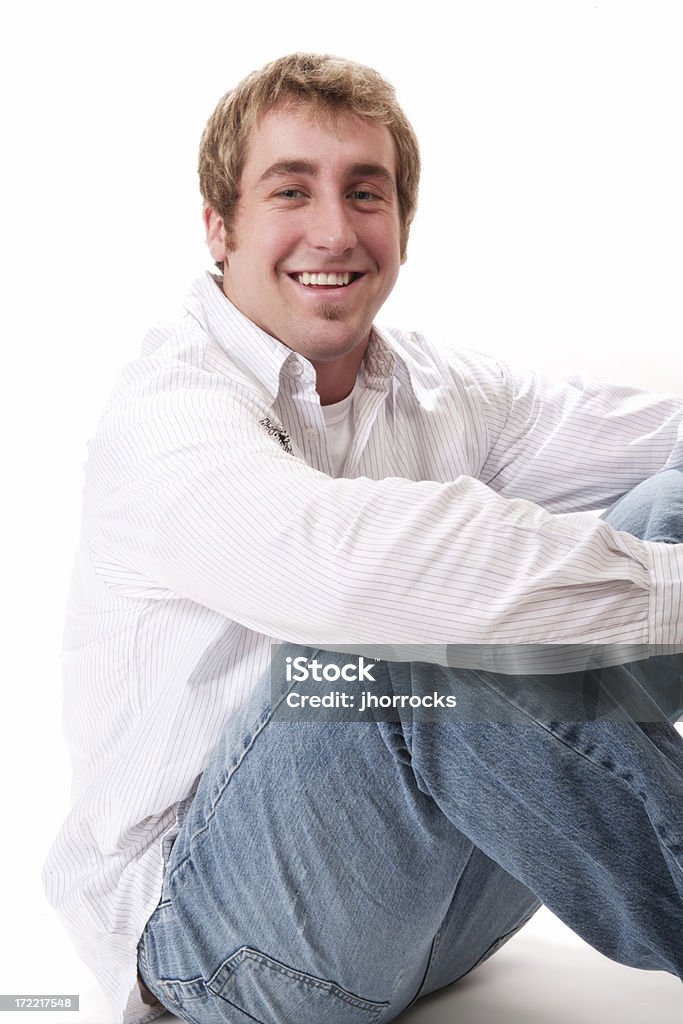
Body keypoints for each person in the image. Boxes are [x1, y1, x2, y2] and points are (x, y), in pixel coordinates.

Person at [44, 52, 683, 1024]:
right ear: (220, 228)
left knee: (662, 506)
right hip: (223, 949)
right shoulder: (167, 415)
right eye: (290, 190)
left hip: (439, 913)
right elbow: (343, 577)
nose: (334, 230)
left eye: (365, 192)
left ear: (401, 226)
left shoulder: (433, 388)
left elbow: (653, 439)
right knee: (399, 637)